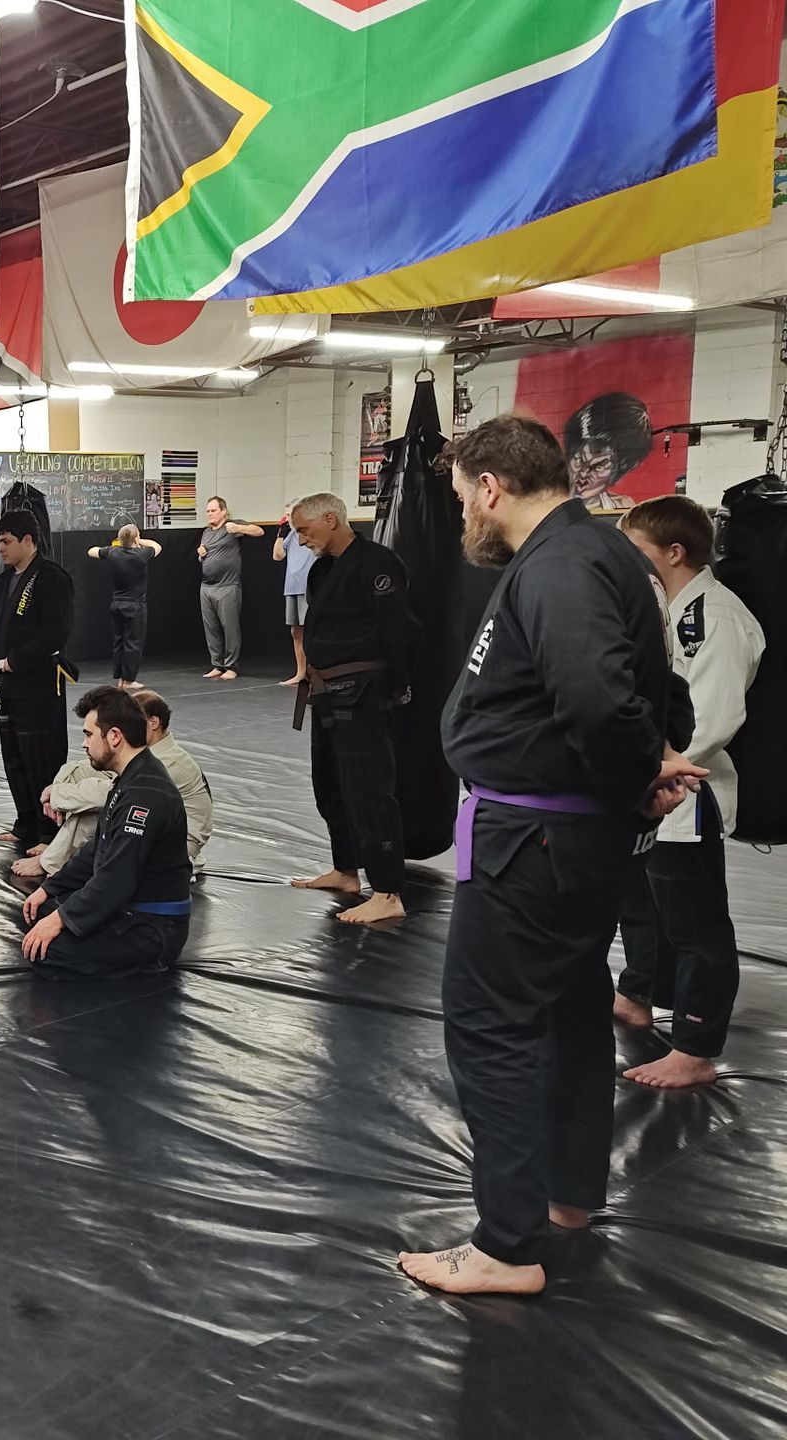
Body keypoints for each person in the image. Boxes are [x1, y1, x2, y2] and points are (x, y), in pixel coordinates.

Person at [398, 416, 704, 1297]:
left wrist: (631, 777)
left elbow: (607, 706)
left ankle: (505, 1244)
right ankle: (568, 1194)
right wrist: (635, 774)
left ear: (490, 488)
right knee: (569, 1012)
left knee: (490, 1027)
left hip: (534, 841)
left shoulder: (566, 563)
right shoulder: (590, 554)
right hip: (559, 835)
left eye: (462, 499)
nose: (462, 515)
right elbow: (656, 693)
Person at [614, 495, 765, 1089]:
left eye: (637, 552)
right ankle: (637, 994)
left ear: (674, 552)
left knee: (695, 923)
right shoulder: (671, 608)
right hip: (651, 787)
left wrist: (656, 764)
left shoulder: (716, 616)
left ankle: (697, 1045)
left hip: (685, 792)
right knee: (643, 907)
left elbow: (716, 715)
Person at [285, 492, 419, 926]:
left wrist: (398, 686)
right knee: (329, 785)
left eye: (304, 530)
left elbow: (399, 628)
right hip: (327, 692)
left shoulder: (378, 563)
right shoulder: (322, 569)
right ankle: (346, 872)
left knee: (368, 790)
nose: (299, 540)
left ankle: (387, 890)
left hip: (364, 694)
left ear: (331, 518)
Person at [17, 686, 192, 979]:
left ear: (114, 737)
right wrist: (49, 887)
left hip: (154, 928)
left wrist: (60, 919)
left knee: (47, 950)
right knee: (41, 913)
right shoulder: (130, 778)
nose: (84, 744)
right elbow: (98, 849)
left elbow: (116, 879)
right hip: (131, 908)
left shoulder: (145, 793)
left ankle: (146, 963)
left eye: (88, 734)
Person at [16, 688, 213, 880]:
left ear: (153, 723)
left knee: (91, 813)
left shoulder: (168, 762)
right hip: (158, 826)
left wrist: (58, 796)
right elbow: (80, 768)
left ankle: (50, 862)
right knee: (77, 778)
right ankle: (55, 852)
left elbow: (109, 793)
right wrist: (55, 790)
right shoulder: (144, 752)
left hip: (179, 842)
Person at [0, 509, 76, 854]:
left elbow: (57, 632)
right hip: (6, 683)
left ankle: (49, 833)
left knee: (41, 759)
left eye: (6, 542)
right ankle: (25, 823)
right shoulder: (4, 580)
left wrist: (14, 661)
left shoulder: (53, 578)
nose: (1, 549)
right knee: (14, 758)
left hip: (37, 682)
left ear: (28, 540)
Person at [196, 496, 264, 680]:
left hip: (227, 586)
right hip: (207, 587)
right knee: (211, 628)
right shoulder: (206, 532)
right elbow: (204, 554)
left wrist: (239, 528)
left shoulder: (232, 526)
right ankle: (217, 665)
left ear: (224, 511)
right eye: (208, 511)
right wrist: (200, 554)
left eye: (213, 510)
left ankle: (231, 666)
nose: (209, 514)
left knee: (230, 628)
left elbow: (259, 531)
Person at [87, 524, 161, 686]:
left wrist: (117, 544)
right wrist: (140, 540)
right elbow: (157, 546)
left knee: (119, 641)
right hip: (135, 605)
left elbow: (91, 551)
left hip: (117, 604)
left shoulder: (113, 552)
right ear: (136, 539)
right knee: (133, 643)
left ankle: (121, 678)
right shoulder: (142, 554)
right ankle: (129, 680)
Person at [272, 504, 315, 685]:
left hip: (308, 588)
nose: (288, 518)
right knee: (296, 631)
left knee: (311, 629)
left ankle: (316, 672)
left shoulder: (310, 533)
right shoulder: (290, 535)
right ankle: (300, 673)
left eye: (291, 514)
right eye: (287, 515)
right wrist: (280, 534)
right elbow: (278, 555)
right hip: (291, 588)